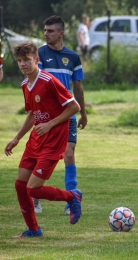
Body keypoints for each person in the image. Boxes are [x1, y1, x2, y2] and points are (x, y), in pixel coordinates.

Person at [5, 42, 82, 238]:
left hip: (54, 139)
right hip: (36, 140)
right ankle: (33, 229)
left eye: (27, 60)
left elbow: (74, 107)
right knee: (20, 185)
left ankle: (72, 196)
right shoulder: (25, 85)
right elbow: (32, 114)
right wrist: (16, 138)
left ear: (37, 60)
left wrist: (50, 124)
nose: (23, 64)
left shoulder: (49, 81)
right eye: (20, 61)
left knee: (33, 189)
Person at [34, 15, 88, 215]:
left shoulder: (72, 57)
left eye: (50, 31)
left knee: (69, 153)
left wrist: (83, 113)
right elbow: (37, 84)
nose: (46, 34)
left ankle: (71, 199)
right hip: (45, 116)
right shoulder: (39, 54)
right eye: (45, 30)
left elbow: (78, 88)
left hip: (69, 115)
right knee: (41, 155)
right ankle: (35, 197)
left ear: (61, 33)